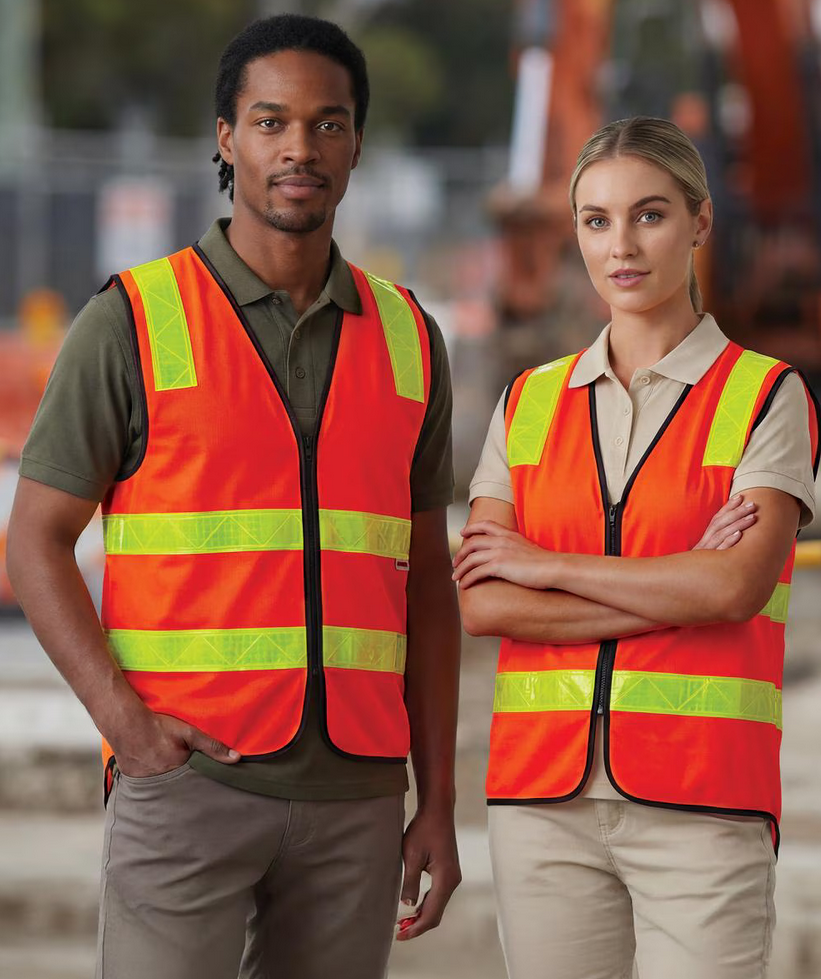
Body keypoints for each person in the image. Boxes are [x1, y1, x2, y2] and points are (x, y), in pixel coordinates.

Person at [7, 14, 461, 979]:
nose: (300, 147)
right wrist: (124, 724)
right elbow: (34, 542)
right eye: (270, 121)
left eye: (328, 123)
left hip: (359, 799)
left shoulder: (411, 338)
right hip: (187, 782)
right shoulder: (130, 320)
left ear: (356, 143)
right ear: (226, 137)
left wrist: (438, 798)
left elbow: (427, 584)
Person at [454, 116, 820, 979]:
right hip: (540, 803)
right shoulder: (526, 402)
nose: (619, 244)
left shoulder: (768, 397)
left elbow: (731, 588)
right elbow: (483, 603)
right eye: (595, 219)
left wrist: (542, 566)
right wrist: (673, 578)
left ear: (699, 223)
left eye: (648, 215)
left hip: (702, 804)